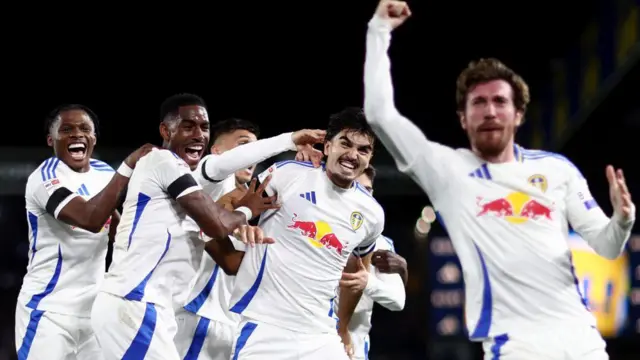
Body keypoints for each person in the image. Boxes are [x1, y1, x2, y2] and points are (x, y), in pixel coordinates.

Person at [363, 1, 636, 359]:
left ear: (518, 112)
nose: (489, 110)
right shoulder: (446, 170)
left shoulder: (558, 170)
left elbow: (607, 246)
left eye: (499, 101)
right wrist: (378, 30)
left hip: (582, 338)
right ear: (463, 118)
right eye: (478, 103)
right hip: (516, 343)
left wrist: (623, 220)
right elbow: (380, 114)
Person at [90, 93, 277, 360]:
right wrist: (290, 140)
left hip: (165, 309)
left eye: (204, 127)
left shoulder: (207, 188)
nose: (199, 134)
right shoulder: (181, 167)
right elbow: (218, 228)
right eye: (189, 126)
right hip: (152, 305)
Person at [226, 107, 385, 360]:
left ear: (370, 157)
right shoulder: (288, 174)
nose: (352, 155)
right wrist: (241, 220)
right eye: (345, 144)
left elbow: (357, 276)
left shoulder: (372, 214)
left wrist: (342, 328)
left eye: (363, 149)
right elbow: (231, 203)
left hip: (321, 336)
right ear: (327, 146)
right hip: (264, 325)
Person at [175, 117, 325, 360]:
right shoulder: (211, 177)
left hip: (232, 320)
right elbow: (228, 256)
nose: (252, 157)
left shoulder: (254, 199)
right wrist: (289, 141)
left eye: (255, 149)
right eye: (244, 146)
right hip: (199, 311)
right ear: (217, 151)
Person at [15, 104, 153, 360]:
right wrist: (128, 167)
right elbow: (90, 218)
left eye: (84, 129)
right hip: (47, 310)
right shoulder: (44, 178)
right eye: (66, 130)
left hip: (94, 311)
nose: (77, 134)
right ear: (51, 140)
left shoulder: (104, 173)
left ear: (93, 139)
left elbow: (116, 228)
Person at [338, 165, 408, 360]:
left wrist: (367, 282)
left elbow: (398, 300)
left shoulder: (381, 244)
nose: (362, 196)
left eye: (367, 190)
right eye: (355, 187)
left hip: (352, 350)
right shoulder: (314, 232)